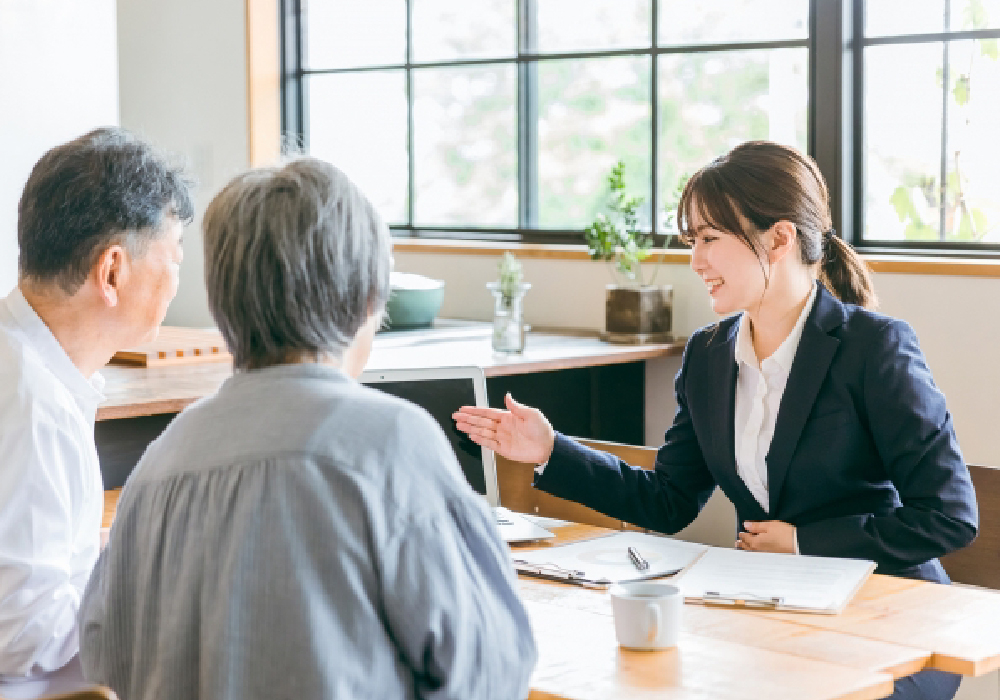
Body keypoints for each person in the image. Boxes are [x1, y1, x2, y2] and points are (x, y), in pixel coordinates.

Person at [454, 141, 977, 700]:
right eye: (691, 241)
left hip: (888, 622)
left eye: (709, 239)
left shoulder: (873, 348)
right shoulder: (708, 354)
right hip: (772, 614)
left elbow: (948, 517)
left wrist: (802, 541)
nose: (696, 260)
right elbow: (670, 500)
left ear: (779, 239)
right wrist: (550, 450)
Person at [79, 158, 538, 700]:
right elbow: (491, 668)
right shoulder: (392, 442)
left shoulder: (159, 463)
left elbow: (101, 655)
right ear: (369, 299)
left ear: (222, 303)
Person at [0, 128, 192, 698]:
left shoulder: (34, 364)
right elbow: (25, 636)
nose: (178, 279)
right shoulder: (32, 404)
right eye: (174, 256)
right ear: (113, 271)